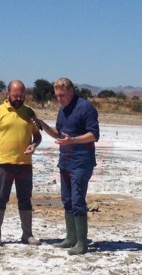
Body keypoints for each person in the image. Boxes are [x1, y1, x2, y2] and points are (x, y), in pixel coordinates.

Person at [33, 78, 100, 255]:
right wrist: (43, 125)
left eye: (62, 95)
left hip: (81, 162)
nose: (59, 99)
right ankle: (71, 238)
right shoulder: (62, 110)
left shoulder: (86, 108)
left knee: (78, 200)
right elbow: (59, 133)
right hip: (65, 161)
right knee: (67, 200)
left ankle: (82, 243)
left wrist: (74, 140)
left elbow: (94, 135)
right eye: (56, 96)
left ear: (71, 91)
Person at [0, 80, 42, 246]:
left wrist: (34, 145)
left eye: (21, 95)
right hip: (3, 164)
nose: (18, 98)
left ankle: (27, 235)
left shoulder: (29, 112)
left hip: (24, 165)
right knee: (0, 198)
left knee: (25, 199)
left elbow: (38, 136)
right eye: (15, 95)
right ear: (7, 94)